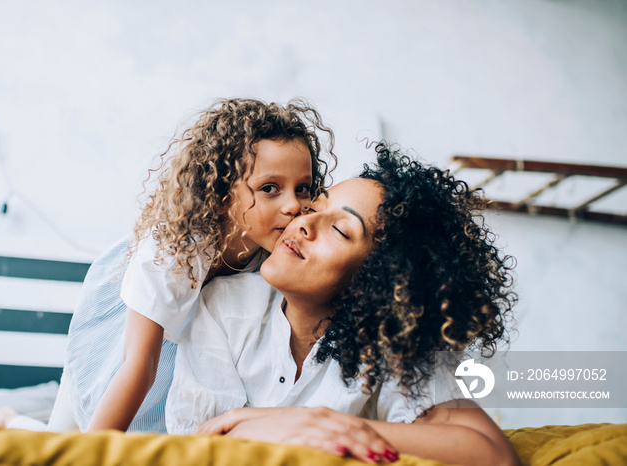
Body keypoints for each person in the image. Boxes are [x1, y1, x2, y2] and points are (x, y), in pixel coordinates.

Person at [0, 98, 336, 433]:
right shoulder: (175, 250)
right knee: (69, 437)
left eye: (303, 188)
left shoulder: (278, 252)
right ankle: (9, 421)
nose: (294, 205)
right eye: (270, 188)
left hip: (189, 348)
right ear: (220, 196)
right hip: (125, 330)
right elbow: (140, 364)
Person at [165, 143, 521, 466]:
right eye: (316, 207)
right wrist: (298, 425)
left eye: (340, 230)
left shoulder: (394, 346)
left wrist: (324, 424)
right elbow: (200, 446)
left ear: (378, 280)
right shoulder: (224, 303)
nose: (304, 223)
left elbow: (493, 455)